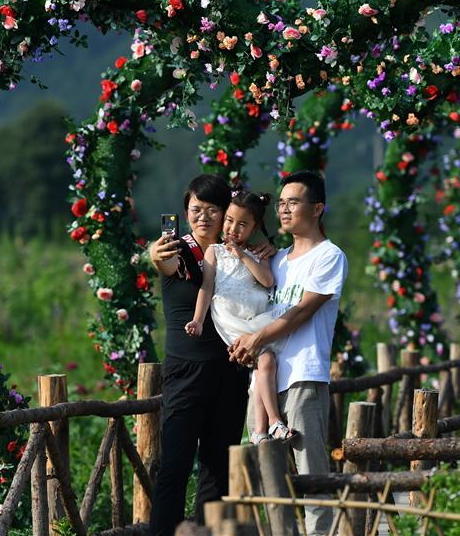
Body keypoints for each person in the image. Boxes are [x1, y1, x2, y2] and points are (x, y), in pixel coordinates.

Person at [148, 174, 269, 536]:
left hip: (231, 370)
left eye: (212, 210)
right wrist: (154, 254)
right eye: (195, 209)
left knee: (219, 467)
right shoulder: (178, 250)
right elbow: (163, 261)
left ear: (226, 213)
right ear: (185, 212)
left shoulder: (237, 253)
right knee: (175, 465)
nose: (203, 217)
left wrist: (264, 249)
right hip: (186, 371)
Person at [229, 171, 348, 535]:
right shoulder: (276, 260)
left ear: (317, 208)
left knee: (312, 476)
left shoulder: (329, 256)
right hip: (263, 382)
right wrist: (243, 342)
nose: (283, 209)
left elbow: (301, 312)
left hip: (303, 377)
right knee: (268, 479)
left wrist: (255, 339)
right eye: (280, 203)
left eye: (293, 202)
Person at [184, 189, 299, 443]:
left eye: (242, 224)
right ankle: (273, 422)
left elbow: (267, 281)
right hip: (231, 320)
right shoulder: (214, 251)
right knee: (265, 360)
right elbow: (207, 287)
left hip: (256, 319)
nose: (233, 229)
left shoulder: (259, 253)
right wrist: (198, 319)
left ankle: (261, 430)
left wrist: (243, 256)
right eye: (229, 220)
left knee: (265, 363)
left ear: (254, 227)